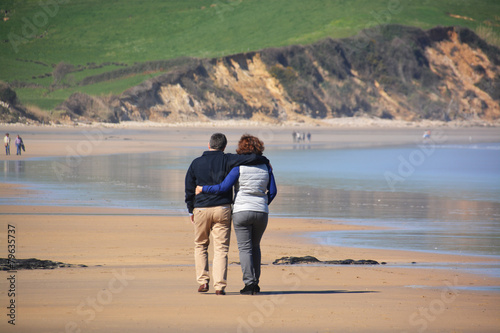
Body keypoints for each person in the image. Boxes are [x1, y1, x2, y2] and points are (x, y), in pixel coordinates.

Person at [185, 133, 269, 296]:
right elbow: (251, 159)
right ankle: (219, 286)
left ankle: (203, 281)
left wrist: (190, 208)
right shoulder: (229, 159)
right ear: (224, 147)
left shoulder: (196, 163)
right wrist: (265, 161)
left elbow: (189, 188)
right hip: (223, 208)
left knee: (201, 245)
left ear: (209, 145)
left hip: (201, 208)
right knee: (221, 248)